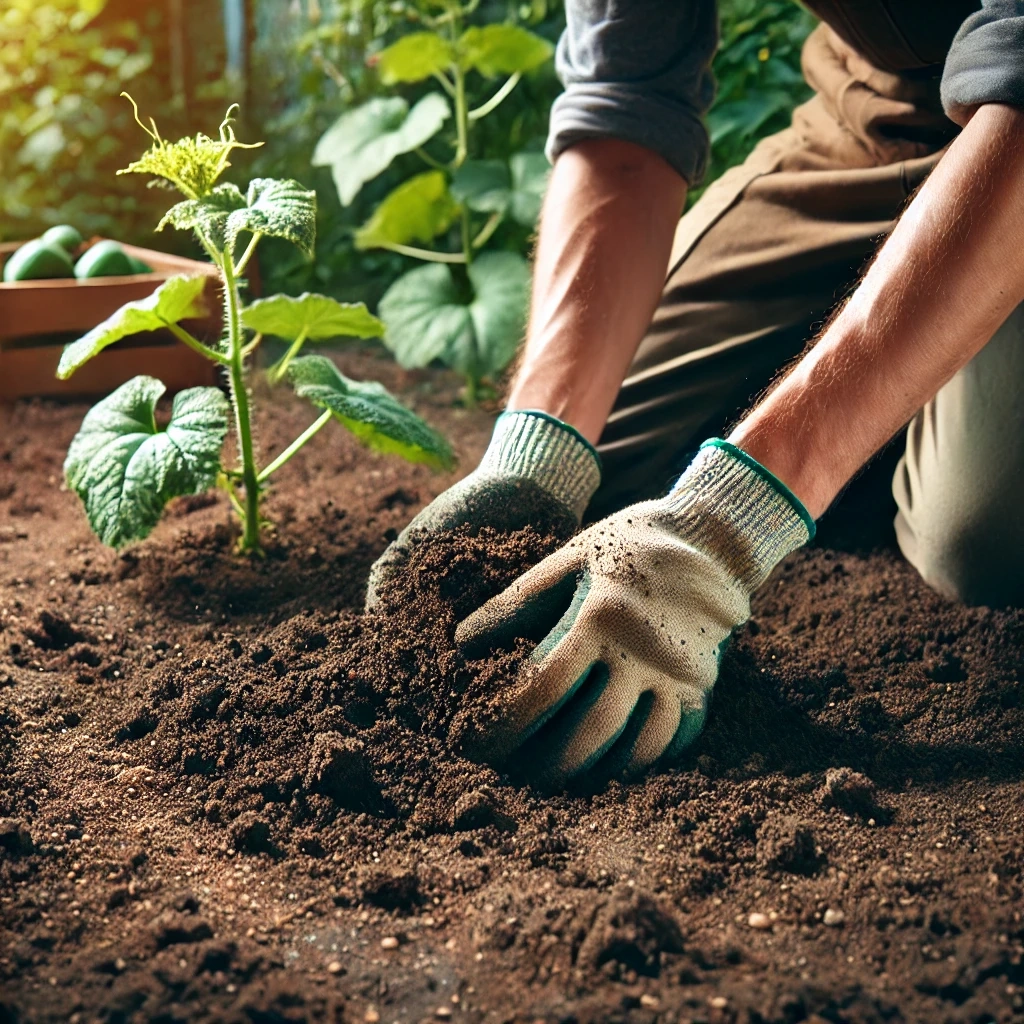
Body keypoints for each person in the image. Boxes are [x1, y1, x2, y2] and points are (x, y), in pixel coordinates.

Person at [368, 1, 1024, 788]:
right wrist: (533, 458)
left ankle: (896, 419)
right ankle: (894, 404)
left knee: (979, 541)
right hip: (881, 115)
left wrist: (728, 520)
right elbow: (627, 100)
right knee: (603, 473)